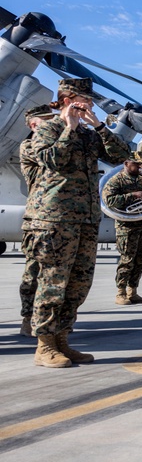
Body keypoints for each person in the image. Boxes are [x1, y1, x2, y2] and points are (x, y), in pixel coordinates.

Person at [27, 77, 130, 367]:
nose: (86, 104)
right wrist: (69, 128)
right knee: (53, 283)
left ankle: (62, 339)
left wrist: (98, 125)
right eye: (81, 99)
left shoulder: (90, 134)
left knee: (78, 284)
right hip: (55, 218)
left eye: (89, 100)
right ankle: (44, 345)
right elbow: (52, 160)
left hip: (85, 219)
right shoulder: (48, 129)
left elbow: (121, 156)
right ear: (65, 99)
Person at [18, 104, 56, 337]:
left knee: (54, 276)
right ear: (34, 124)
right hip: (38, 218)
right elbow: (53, 159)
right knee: (33, 272)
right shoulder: (29, 145)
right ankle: (27, 317)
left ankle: (51, 321)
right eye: (48, 121)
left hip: (59, 218)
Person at [102, 152, 142, 305]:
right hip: (127, 226)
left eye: (140, 164)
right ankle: (121, 292)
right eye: (135, 164)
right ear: (126, 164)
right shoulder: (116, 181)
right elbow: (109, 201)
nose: (139, 167)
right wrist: (134, 195)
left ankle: (133, 291)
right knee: (127, 259)